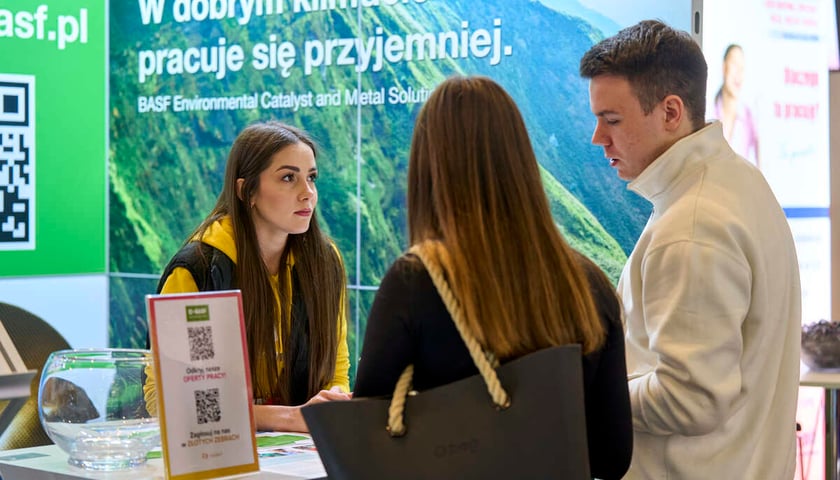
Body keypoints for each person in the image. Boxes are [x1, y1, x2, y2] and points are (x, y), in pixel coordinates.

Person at [353, 75, 633, 480]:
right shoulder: (588, 283)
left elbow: (366, 438)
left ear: (429, 167)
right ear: (521, 162)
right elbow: (613, 456)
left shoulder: (417, 279)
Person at [579, 20, 801, 479]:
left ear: (670, 112)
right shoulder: (735, 181)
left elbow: (692, 399)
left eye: (612, 120)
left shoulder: (692, 226)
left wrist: (595, 396)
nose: (598, 137)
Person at [144, 121, 351, 433]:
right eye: (288, 178)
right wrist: (287, 417)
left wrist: (332, 400)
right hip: (218, 448)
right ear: (246, 191)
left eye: (311, 177)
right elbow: (166, 400)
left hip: (301, 448)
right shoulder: (199, 270)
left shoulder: (325, 262)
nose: (307, 193)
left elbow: (336, 370)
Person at [714, 44, 760, 167]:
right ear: (724, 67)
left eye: (742, 68)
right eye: (734, 65)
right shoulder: (708, 111)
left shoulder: (749, 117)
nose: (738, 74)